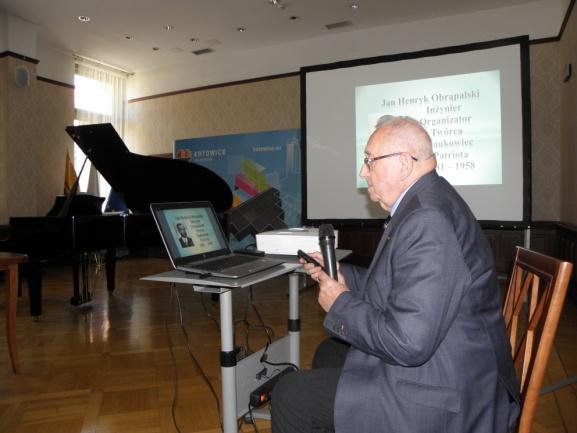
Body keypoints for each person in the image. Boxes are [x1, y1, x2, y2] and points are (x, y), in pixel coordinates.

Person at [271, 116, 520, 433]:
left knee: (290, 394)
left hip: (448, 392)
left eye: (370, 160)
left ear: (404, 164)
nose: (363, 171)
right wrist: (338, 274)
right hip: (450, 359)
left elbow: (408, 343)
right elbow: (397, 284)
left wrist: (340, 302)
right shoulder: (428, 200)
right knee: (329, 351)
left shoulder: (428, 220)